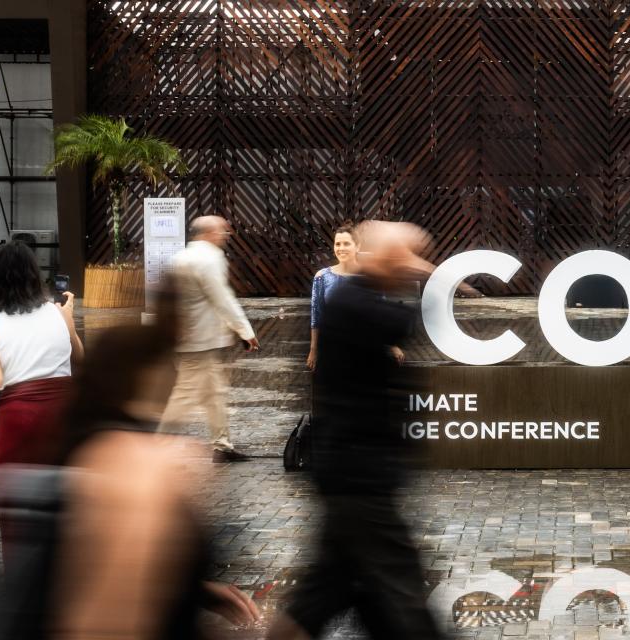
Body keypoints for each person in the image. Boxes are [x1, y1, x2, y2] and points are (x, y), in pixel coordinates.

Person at [0, 289, 260, 639]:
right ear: (143, 383)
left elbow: (93, 566)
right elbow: (106, 614)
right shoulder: (129, 463)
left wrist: (192, 589)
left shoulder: (87, 450)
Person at [265, 221, 445, 640]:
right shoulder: (352, 300)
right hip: (358, 475)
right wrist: (426, 277)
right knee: (403, 596)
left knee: (321, 595)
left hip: (353, 474)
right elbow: (401, 324)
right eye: (404, 256)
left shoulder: (359, 297)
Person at [0, 241, 83, 555]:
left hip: (21, 418)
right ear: (34, 275)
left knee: (18, 509)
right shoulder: (58, 313)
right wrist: (68, 320)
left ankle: (25, 577)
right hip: (65, 414)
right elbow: (80, 359)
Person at [160, 215, 259, 463]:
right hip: (200, 339)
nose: (226, 235)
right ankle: (157, 447)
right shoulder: (210, 258)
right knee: (185, 395)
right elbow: (221, 298)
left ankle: (222, 445)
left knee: (214, 393)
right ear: (208, 233)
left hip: (185, 337)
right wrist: (245, 331)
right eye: (222, 230)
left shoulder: (180, 257)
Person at [306, 222, 361, 372]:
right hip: (332, 346)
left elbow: (379, 314)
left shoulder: (370, 277)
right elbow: (316, 316)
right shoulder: (322, 277)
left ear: (358, 246)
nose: (341, 248)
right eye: (338, 244)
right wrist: (313, 349)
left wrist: (391, 345)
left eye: (346, 244)